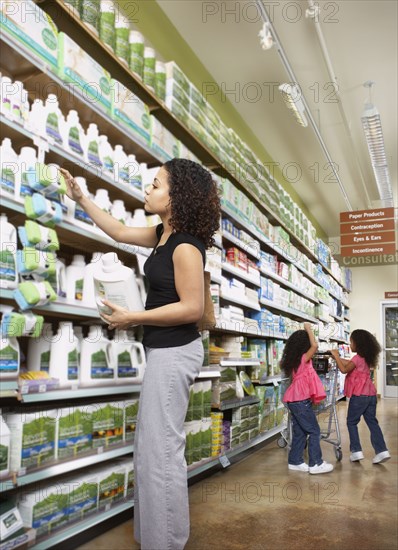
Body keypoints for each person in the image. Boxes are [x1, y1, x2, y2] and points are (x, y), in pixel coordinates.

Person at [60, 158, 221, 550]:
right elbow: (116, 229)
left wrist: (135, 316)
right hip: (164, 351)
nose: (148, 189)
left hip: (175, 352)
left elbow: (192, 309)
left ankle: (165, 542)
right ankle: (155, 535)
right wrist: (82, 197)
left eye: (156, 184)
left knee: (162, 451)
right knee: (151, 448)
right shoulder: (163, 235)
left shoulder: (185, 247)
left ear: (177, 196)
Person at [330, 329, 390, 464]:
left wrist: (336, 355)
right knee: (372, 422)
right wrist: (338, 358)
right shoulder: (366, 358)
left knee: (351, 422)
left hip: (359, 396)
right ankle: (382, 451)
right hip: (370, 395)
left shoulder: (357, 358)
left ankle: (356, 451)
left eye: (351, 342)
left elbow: (344, 369)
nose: (350, 345)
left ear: (358, 343)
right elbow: (350, 364)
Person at [281, 322, 334, 474]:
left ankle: (295, 460)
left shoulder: (293, 360)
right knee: (314, 431)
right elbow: (315, 346)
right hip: (300, 401)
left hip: (294, 400)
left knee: (300, 432)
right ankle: (316, 463)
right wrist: (308, 329)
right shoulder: (304, 358)